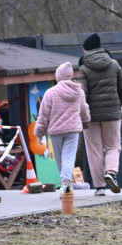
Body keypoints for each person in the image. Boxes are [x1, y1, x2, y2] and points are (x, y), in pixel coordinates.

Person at [76, 33, 122, 196]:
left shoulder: (84, 68)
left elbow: (82, 93)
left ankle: (99, 186)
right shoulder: (114, 64)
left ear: (87, 50)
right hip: (112, 114)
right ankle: (111, 173)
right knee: (113, 146)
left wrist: (81, 115)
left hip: (91, 116)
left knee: (94, 150)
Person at [34, 62, 90, 194]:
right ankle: (66, 183)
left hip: (56, 131)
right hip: (73, 130)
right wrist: (86, 121)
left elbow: (43, 116)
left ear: (58, 77)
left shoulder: (50, 93)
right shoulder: (79, 91)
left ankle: (65, 183)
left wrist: (39, 133)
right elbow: (84, 109)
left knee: (60, 159)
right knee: (68, 158)